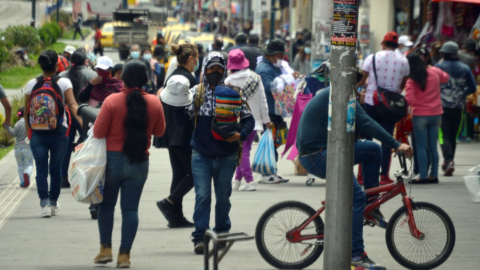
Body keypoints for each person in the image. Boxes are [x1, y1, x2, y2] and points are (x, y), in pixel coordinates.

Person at [296, 86, 412, 270]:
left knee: (373, 150)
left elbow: (360, 127)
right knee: (356, 197)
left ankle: (371, 205)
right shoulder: (342, 92)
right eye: (361, 86)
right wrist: (397, 144)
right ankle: (356, 255)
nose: (363, 90)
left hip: (325, 150)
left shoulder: (339, 92)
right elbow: (367, 123)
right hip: (316, 155)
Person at [93, 60, 166, 268]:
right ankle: (124, 255)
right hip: (139, 162)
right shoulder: (154, 102)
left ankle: (105, 249)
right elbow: (160, 132)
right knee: (130, 210)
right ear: (145, 80)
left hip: (112, 161)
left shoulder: (111, 101)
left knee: (106, 206)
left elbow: (98, 132)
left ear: (121, 78)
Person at [187, 52, 255, 254]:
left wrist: (240, 134)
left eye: (219, 69)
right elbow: (183, 119)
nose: (215, 72)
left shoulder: (235, 93)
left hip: (226, 156)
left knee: (223, 198)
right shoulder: (196, 94)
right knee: (203, 196)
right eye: (211, 68)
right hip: (201, 155)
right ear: (204, 70)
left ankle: (222, 232)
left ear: (225, 69)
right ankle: (200, 237)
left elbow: (249, 119)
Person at [25, 50, 82, 218]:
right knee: (55, 170)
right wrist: (84, 123)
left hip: (37, 133)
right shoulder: (64, 82)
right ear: (57, 65)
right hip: (59, 131)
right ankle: (53, 201)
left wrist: (30, 134)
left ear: (41, 66)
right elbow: (72, 104)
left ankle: (44, 203)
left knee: (41, 169)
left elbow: (27, 110)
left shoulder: (31, 84)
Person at [357, 31, 410, 185]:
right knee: (387, 139)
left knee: (366, 138)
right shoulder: (404, 61)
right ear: (397, 45)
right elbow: (402, 85)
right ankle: (384, 175)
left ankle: (361, 176)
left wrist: (360, 87)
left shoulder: (372, 58)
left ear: (384, 44)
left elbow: (362, 78)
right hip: (390, 106)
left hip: (371, 102)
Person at [156, 43, 198, 228]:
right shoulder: (187, 79)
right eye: (196, 57)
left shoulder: (173, 76)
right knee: (196, 172)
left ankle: (175, 216)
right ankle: (170, 202)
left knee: (179, 173)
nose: (197, 60)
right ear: (191, 58)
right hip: (182, 134)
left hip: (170, 133)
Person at [226, 49, 272, 191]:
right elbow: (263, 101)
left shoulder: (229, 81)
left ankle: (249, 181)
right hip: (255, 122)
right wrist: (266, 120)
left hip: (237, 121)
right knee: (245, 149)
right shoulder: (256, 78)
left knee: (242, 151)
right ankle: (237, 180)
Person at [256, 39, 296, 183]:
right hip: (269, 112)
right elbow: (269, 87)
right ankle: (267, 174)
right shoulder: (264, 69)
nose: (281, 59)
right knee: (270, 144)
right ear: (271, 55)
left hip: (275, 109)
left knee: (275, 142)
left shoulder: (275, 67)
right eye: (279, 56)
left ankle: (271, 172)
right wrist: (288, 79)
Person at [405, 53, 449, 184]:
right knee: (433, 147)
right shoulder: (434, 71)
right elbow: (446, 78)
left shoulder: (412, 79)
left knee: (421, 147)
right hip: (436, 115)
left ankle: (423, 176)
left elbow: (409, 99)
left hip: (420, 116)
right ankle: (433, 175)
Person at [435, 41, 477, 176]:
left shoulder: (439, 67)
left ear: (444, 54)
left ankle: (448, 160)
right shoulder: (465, 68)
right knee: (453, 135)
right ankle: (450, 160)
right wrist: (461, 92)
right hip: (458, 107)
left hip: (442, 107)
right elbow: (473, 87)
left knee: (443, 135)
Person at [59, 51, 97, 188]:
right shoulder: (92, 75)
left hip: (67, 115)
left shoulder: (62, 76)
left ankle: (63, 176)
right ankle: (86, 176)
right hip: (87, 115)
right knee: (88, 145)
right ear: (85, 61)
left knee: (66, 146)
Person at [3, 107, 33, 188]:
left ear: (19, 115)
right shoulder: (31, 123)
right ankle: (27, 173)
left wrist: (7, 127)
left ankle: (23, 182)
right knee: (29, 164)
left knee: (20, 165)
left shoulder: (18, 124)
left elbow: (13, 134)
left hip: (18, 148)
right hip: (28, 147)